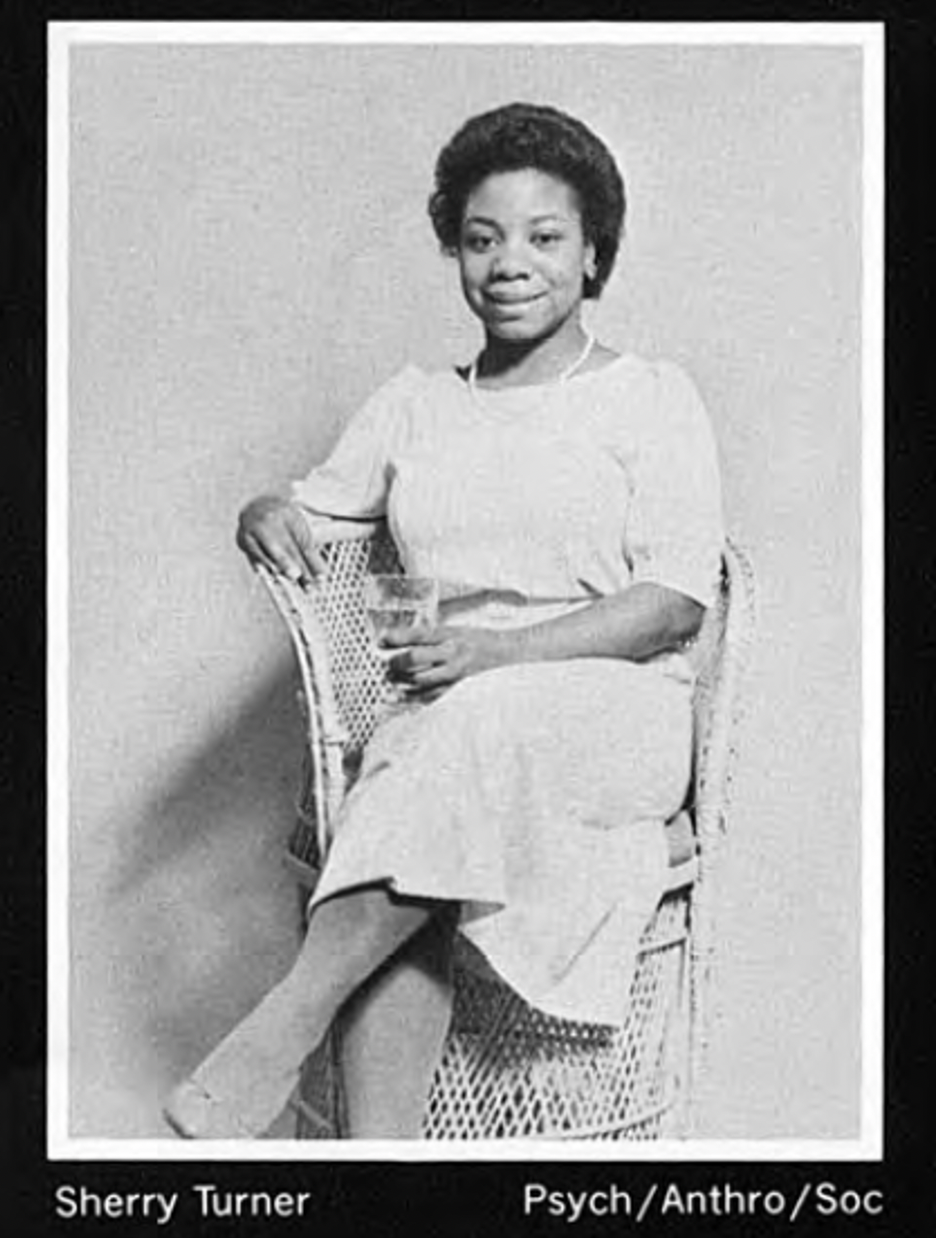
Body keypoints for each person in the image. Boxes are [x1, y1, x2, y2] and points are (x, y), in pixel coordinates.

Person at [165, 101, 724, 1139]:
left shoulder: (652, 396)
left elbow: (673, 601)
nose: (511, 263)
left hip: (615, 714)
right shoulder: (416, 401)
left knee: (449, 742)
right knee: (429, 770)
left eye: (545, 237)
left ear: (594, 251)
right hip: (455, 719)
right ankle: (384, 1165)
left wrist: (497, 651)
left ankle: (278, 1030)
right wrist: (264, 510)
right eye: (482, 238)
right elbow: (311, 507)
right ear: (456, 253)